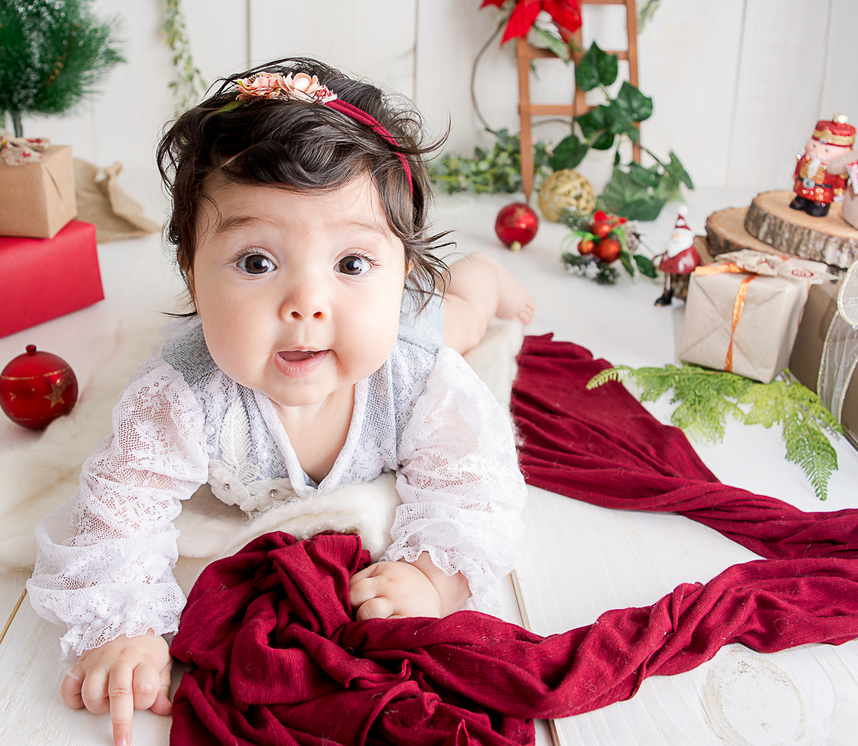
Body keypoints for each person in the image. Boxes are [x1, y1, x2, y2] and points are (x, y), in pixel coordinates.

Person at [26, 58, 534, 746]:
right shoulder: (183, 396)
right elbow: (118, 515)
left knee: (461, 319)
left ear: (398, 269)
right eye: (256, 263)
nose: (306, 305)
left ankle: (479, 275)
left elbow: (477, 488)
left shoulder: (416, 376)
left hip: (415, 324)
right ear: (193, 275)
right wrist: (127, 629)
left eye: (352, 264)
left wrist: (432, 575)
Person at [789, 115, 856, 217]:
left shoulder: (835, 168)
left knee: (818, 206)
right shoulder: (806, 158)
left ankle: (819, 206)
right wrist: (796, 175)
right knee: (801, 196)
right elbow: (799, 166)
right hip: (804, 185)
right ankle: (801, 200)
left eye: (826, 151)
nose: (818, 152)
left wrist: (840, 189)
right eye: (814, 146)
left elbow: (841, 179)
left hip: (822, 192)